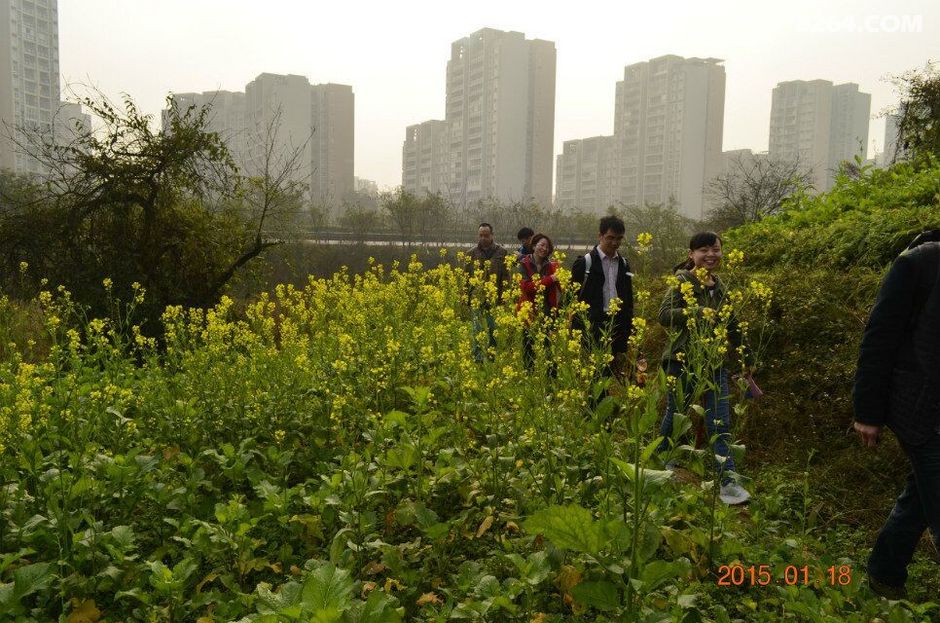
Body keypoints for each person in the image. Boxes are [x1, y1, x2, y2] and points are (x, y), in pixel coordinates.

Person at [853, 230, 940, 599]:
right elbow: (879, 338)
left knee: (921, 498)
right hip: (922, 409)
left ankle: (884, 573)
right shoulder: (918, 263)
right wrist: (867, 412)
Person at [657, 231, 752, 506]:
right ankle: (663, 463)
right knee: (676, 415)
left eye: (716, 249)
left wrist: (747, 356)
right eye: (703, 250)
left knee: (720, 421)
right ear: (691, 255)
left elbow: (732, 323)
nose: (711, 255)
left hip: (714, 363)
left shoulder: (721, 286)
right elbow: (663, 315)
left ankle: (729, 483)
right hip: (682, 360)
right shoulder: (682, 281)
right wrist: (697, 312)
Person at [571, 216, 634, 381]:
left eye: (619, 239)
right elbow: (571, 296)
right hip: (593, 324)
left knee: (612, 374)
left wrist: (629, 327)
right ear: (600, 236)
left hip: (616, 324)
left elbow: (628, 297)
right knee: (594, 374)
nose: (615, 243)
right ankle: (595, 405)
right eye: (610, 238)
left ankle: (606, 404)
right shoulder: (585, 262)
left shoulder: (624, 264)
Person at [517, 233, 562, 372]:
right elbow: (527, 288)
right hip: (528, 311)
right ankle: (529, 375)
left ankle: (551, 379)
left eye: (547, 247)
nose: (544, 249)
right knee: (529, 346)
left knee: (549, 347)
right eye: (542, 245)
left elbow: (561, 286)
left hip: (547, 310)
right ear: (534, 245)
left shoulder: (551, 266)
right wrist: (550, 279)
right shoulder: (524, 264)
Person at [466, 223, 510, 362]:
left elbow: (505, 276)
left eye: (486, 235)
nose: (483, 238)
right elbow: (466, 276)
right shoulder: (471, 253)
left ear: (492, 235)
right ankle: (477, 358)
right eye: (481, 235)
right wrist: (465, 295)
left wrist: (505, 295)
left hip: (494, 297)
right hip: (476, 297)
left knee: (492, 328)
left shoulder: (501, 252)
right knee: (476, 329)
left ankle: (492, 355)